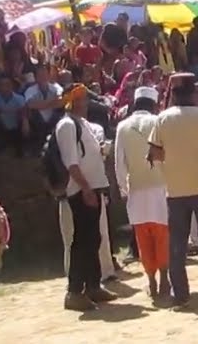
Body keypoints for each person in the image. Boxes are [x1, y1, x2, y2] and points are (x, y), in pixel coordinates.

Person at [148, 73, 198, 308]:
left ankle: (180, 293)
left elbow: (155, 153)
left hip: (175, 191)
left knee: (177, 244)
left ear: (172, 94)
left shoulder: (162, 119)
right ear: (193, 92)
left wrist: (173, 160)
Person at [57, 85, 118, 312]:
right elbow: (71, 163)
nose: (85, 103)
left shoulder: (82, 124)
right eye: (80, 99)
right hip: (81, 190)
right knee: (82, 241)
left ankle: (93, 286)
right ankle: (74, 291)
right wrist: (86, 188)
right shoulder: (66, 125)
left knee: (93, 238)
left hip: (92, 188)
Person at [114, 87, 170, 298]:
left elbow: (119, 163)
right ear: (153, 104)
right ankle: (165, 279)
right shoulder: (159, 122)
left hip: (136, 190)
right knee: (162, 235)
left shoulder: (122, 126)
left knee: (142, 237)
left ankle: (151, 281)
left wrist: (124, 189)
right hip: (160, 188)